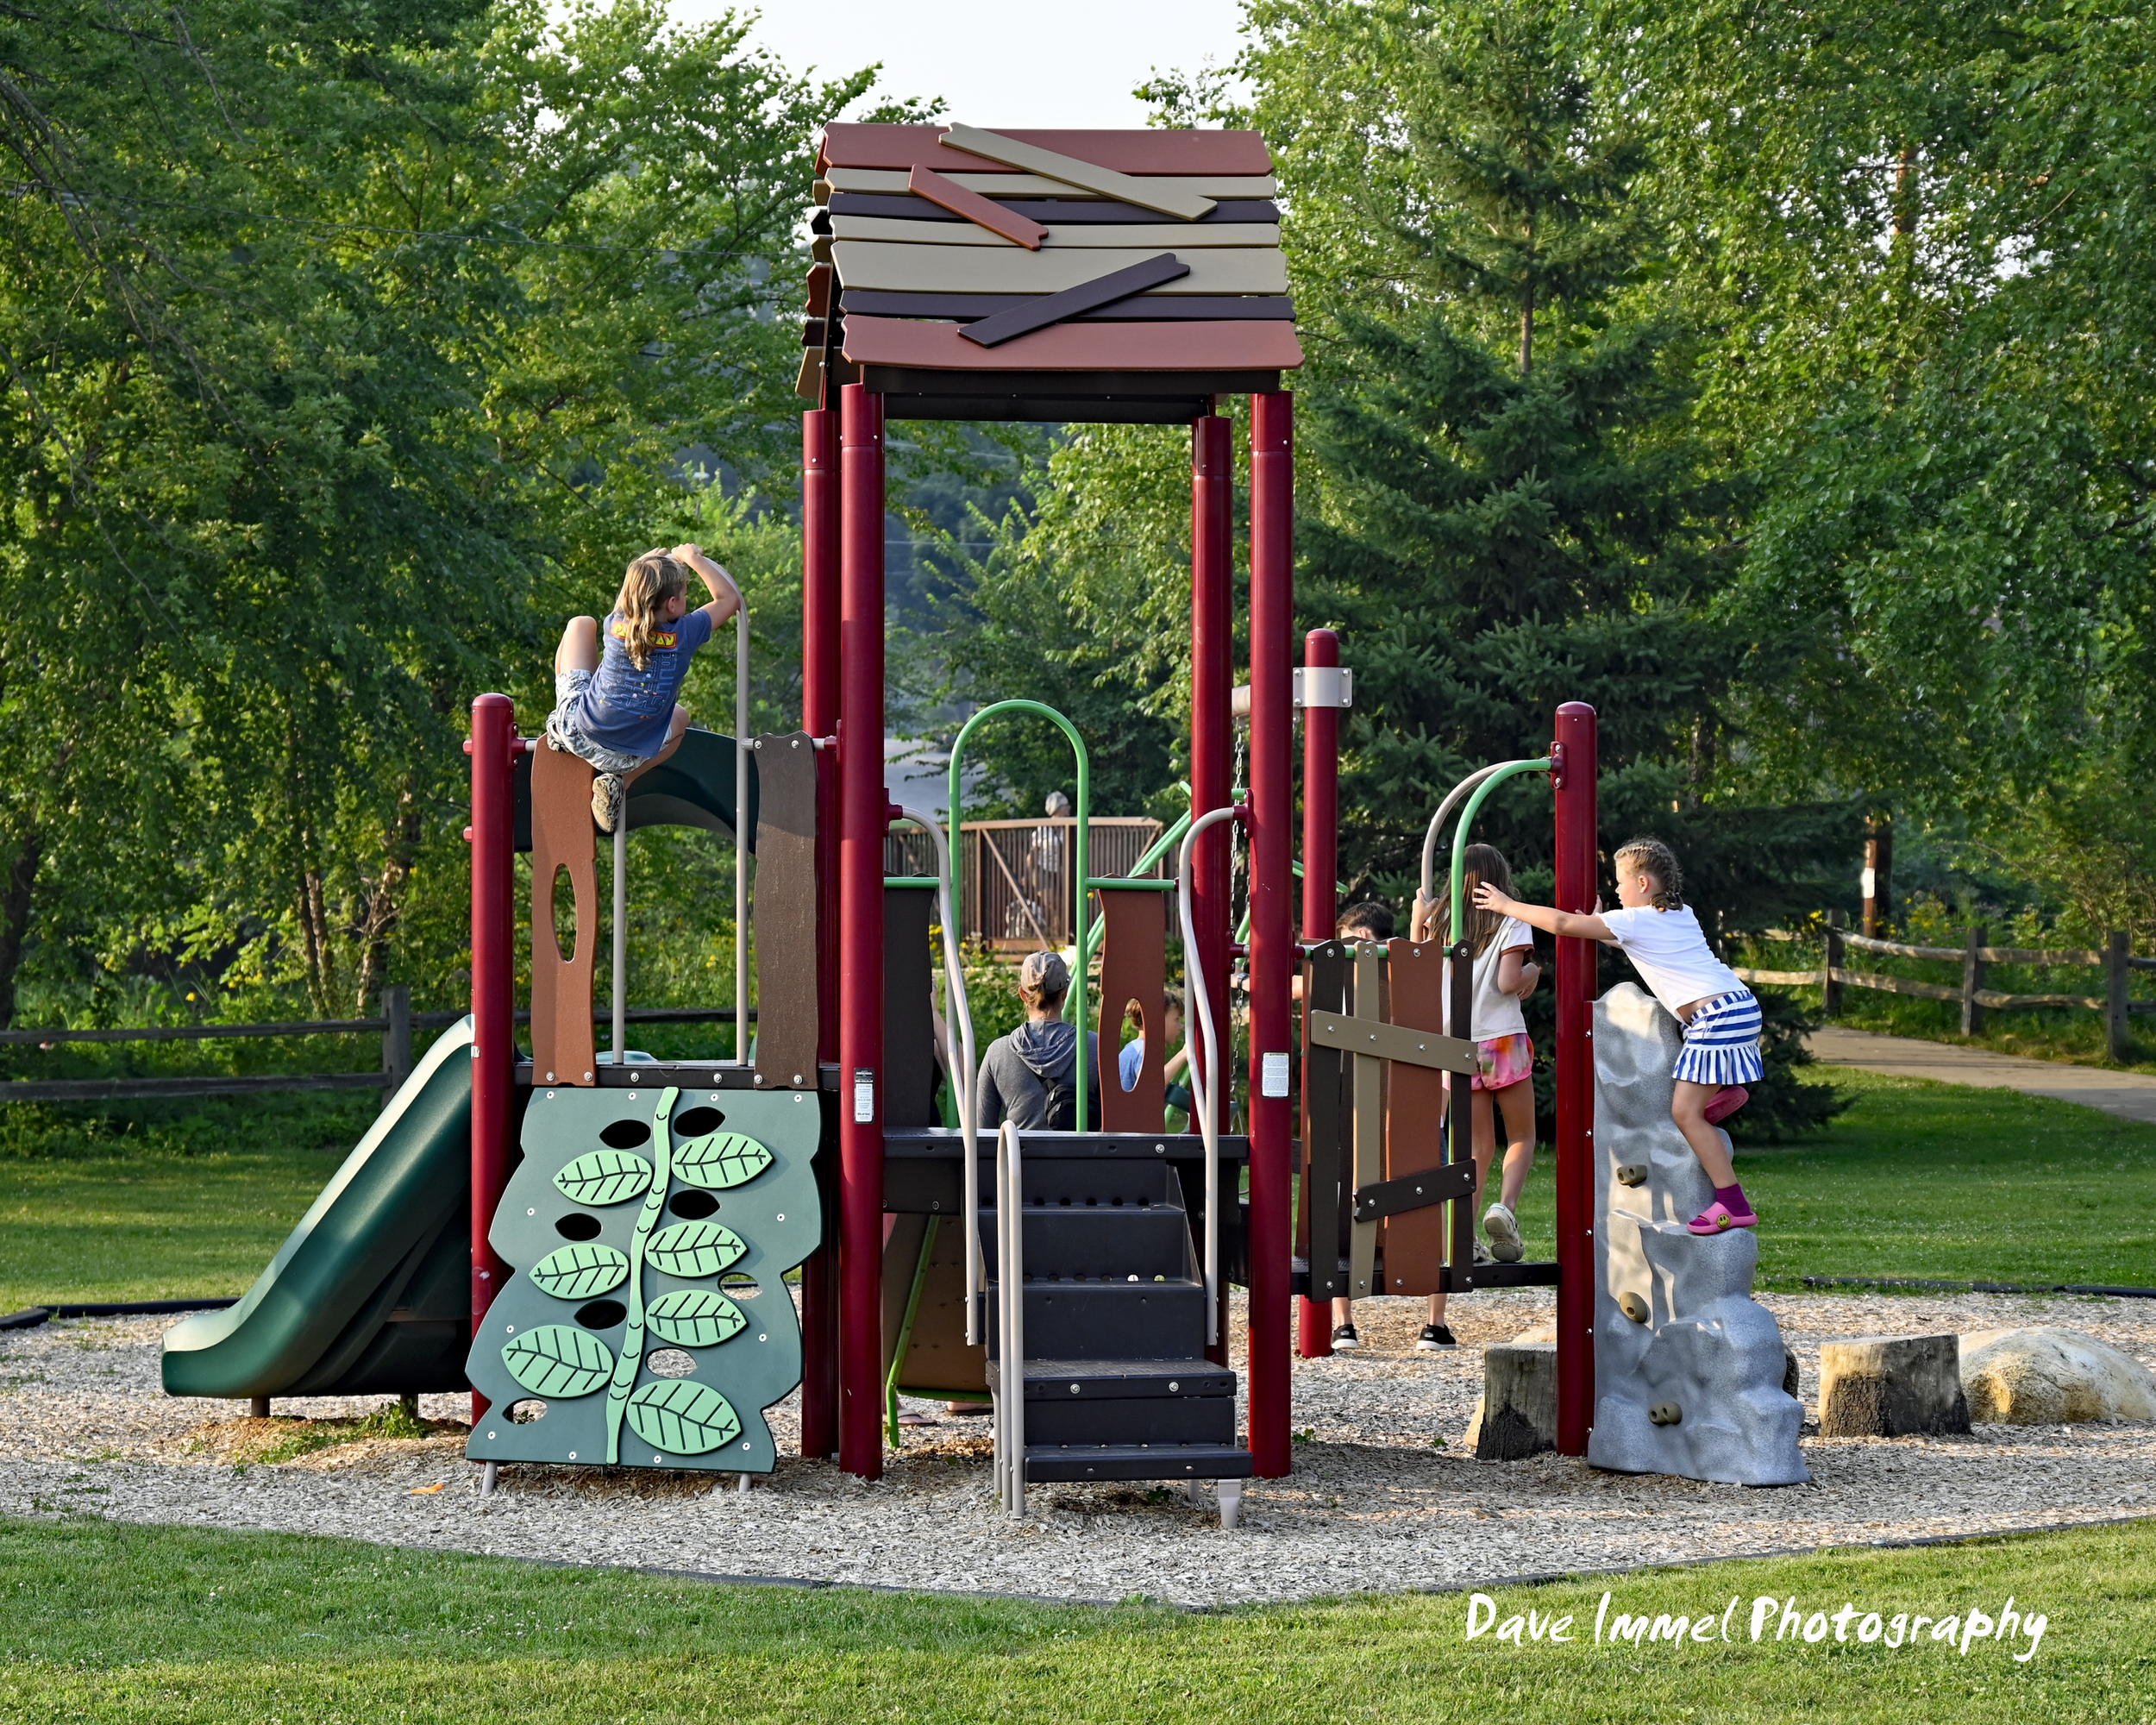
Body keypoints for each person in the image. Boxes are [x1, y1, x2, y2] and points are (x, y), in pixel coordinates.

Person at [1472, 836, 1762, 1236]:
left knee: (1684, 1113)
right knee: (1691, 1104)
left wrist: (1507, 906)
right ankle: (1721, 1092)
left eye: (1620, 881)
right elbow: (1632, 939)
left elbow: (1560, 924)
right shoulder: (1680, 914)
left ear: (1643, 884)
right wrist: (1602, 925)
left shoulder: (1635, 920)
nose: (1616, 890)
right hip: (1739, 1007)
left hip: (1714, 1018)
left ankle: (1733, 1204)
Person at [1416, 844, 1542, 1351]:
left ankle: (1462, 1230)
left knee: (1474, 1148)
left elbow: (1418, 964)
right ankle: (1505, 1209)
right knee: (1524, 1136)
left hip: (1458, 1045)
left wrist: (1420, 917)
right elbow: (1510, 981)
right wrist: (1533, 975)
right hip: (1504, 1040)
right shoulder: (1512, 922)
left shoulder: (1445, 923)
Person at [546, 544, 743, 833]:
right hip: (630, 758)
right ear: (673, 604)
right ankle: (620, 783)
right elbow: (729, 599)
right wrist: (695, 560)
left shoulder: (617, 622)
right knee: (681, 718)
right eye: (685, 595)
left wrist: (642, 564)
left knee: (580, 625)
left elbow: (628, 595)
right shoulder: (685, 633)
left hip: (580, 732)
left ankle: (559, 727)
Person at [1322, 900, 1400, 1352]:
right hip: (1401, 1104)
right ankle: (1436, 1323)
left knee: (1338, 1196)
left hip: (1351, 1099)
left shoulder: (1350, 969)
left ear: (1362, 940)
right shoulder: (1412, 970)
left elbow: (1298, 986)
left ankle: (1343, 1321)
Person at [975, 950, 1103, 1132]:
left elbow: (982, 1130)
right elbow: (1115, 1124)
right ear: (1064, 994)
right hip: (1078, 1158)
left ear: (1023, 995)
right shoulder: (1093, 1047)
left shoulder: (998, 1052)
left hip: (1019, 1159)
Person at [1119, 988, 1193, 1126]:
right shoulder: (1144, 1050)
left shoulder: (1132, 1047)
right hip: (1133, 1131)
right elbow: (1149, 1084)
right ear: (1155, 1019)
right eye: (1176, 1019)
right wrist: (1184, 1054)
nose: (1180, 1026)